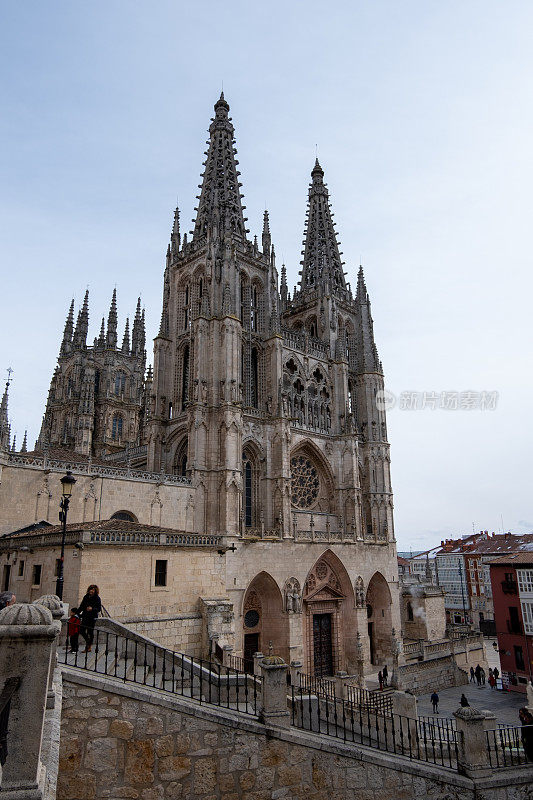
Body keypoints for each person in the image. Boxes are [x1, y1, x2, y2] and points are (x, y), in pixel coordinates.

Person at [78, 584, 102, 652]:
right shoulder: (86, 597)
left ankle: (88, 647)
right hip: (85, 615)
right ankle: (88, 641)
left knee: (90, 632)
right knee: (82, 630)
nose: (91, 591)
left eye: (93, 590)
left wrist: (92, 609)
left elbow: (99, 608)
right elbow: (82, 606)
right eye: (90, 589)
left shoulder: (97, 598)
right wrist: (77, 612)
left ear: (95, 591)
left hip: (92, 617)